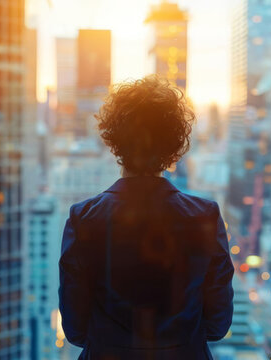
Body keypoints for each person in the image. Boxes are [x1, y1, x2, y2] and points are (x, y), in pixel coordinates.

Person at [59, 75, 235, 359]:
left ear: (114, 141)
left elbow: (75, 329)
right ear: (174, 144)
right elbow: (217, 325)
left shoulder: (84, 219)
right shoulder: (205, 218)